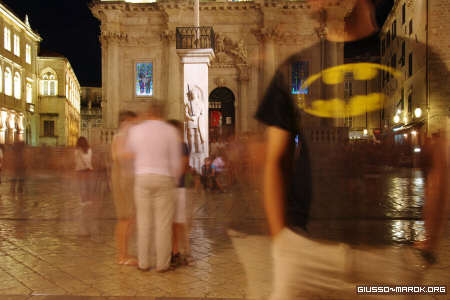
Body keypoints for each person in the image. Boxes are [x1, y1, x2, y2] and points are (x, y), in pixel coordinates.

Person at [256, 0, 448, 299]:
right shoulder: (295, 68)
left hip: (387, 259)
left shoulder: (419, 56)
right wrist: (283, 244)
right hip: (305, 254)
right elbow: (274, 160)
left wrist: (425, 250)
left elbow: (438, 159)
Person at [123, 102, 182, 272]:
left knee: (143, 221)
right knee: (163, 224)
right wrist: (174, 180)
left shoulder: (137, 130)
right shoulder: (169, 131)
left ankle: (144, 263)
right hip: (164, 178)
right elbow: (176, 161)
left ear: (149, 113)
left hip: (142, 178)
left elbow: (128, 154)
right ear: (162, 114)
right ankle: (162, 264)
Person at [111, 110, 138, 266]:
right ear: (127, 120)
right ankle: (122, 256)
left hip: (124, 178)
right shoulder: (123, 134)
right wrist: (138, 153)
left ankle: (123, 254)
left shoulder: (121, 134)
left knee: (128, 218)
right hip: (123, 179)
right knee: (125, 219)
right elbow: (119, 155)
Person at [167, 119, 192, 266]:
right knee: (177, 222)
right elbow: (184, 166)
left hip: (171, 186)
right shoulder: (182, 146)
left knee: (173, 222)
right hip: (177, 186)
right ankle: (176, 251)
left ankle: (175, 251)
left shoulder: (170, 146)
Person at [75, 137, 96, 236]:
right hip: (89, 170)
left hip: (80, 171)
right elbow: (89, 160)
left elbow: (77, 161)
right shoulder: (90, 150)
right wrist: (90, 167)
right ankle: (88, 201)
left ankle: (83, 202)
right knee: (88, 185)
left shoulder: (77, 151)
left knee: (82, 186)